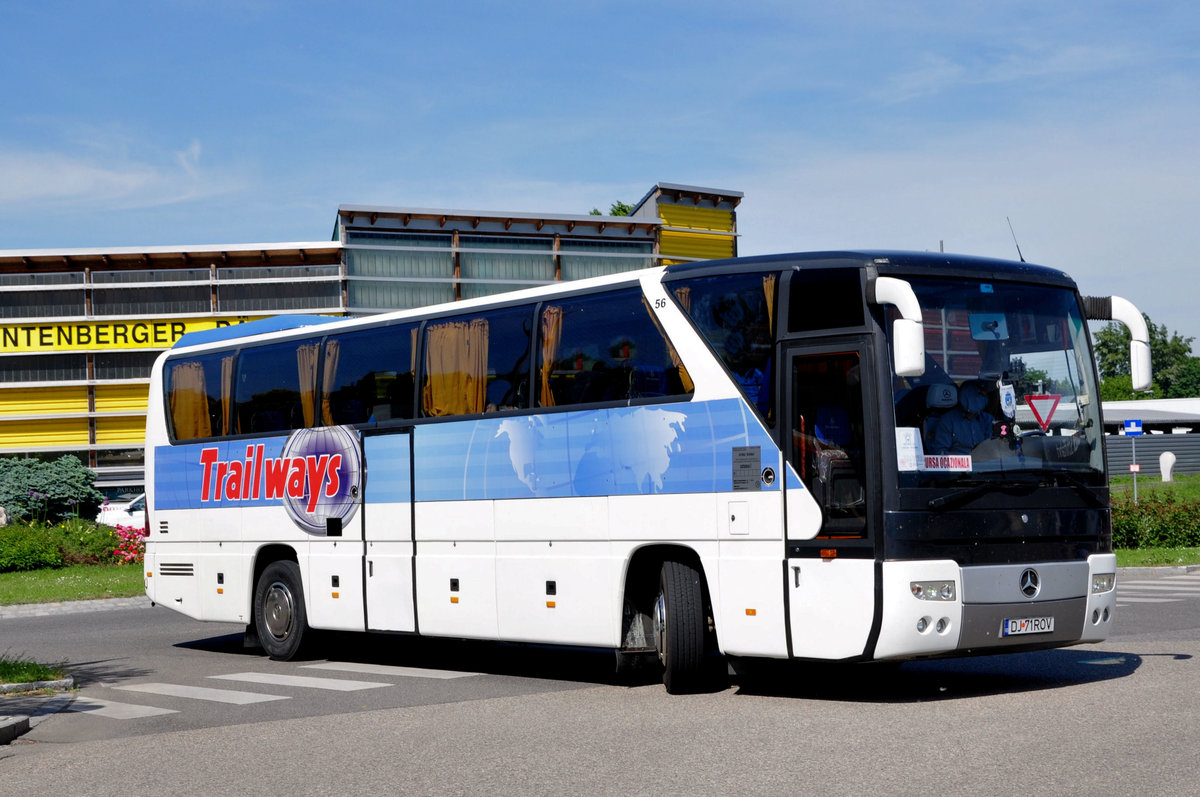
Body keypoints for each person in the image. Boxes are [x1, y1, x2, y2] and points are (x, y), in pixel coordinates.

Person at [929, 380, 994, 454]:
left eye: (984, 395)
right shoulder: (947, 421)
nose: (983, 398)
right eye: (980, 394)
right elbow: (939, 453)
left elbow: (993, 448)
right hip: (957, 464)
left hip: (986, 464)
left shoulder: (988, 420)